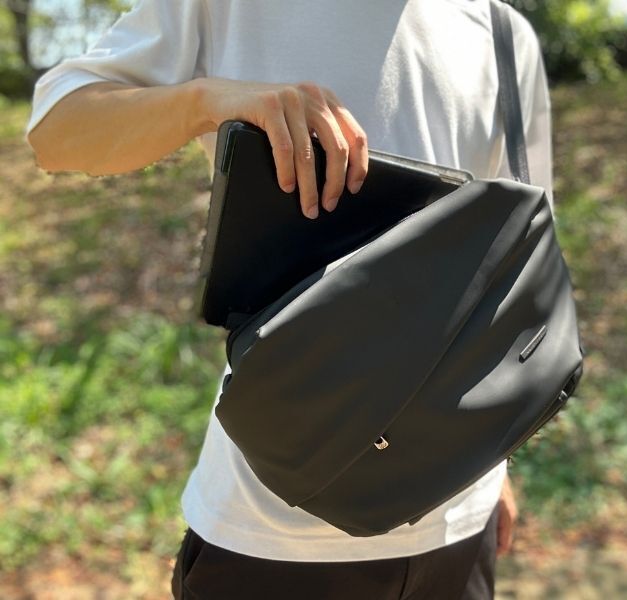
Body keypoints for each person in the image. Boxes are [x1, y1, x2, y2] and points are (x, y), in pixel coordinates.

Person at [27, 1, 553, 598]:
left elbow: (513, 265)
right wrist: (210, 102)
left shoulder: (503, 35)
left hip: (461, 521)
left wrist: (497, 464)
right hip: (274, 530)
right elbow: (55, 128)